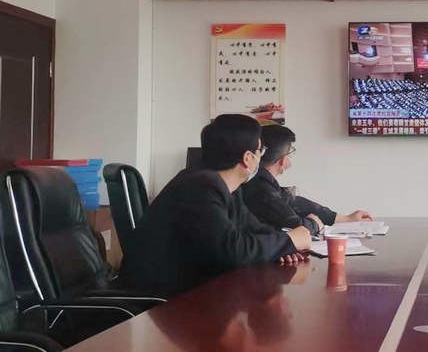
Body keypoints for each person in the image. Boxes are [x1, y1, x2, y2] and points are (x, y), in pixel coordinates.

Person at [120, 114, 312, 298]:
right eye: (260, 150)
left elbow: (253, 228)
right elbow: (232, 252)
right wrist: (289, 240)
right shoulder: (199, 187)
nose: (260, 157)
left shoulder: (225, 187)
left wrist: (284, 247)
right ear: (248, 158)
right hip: (160, 300)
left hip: (188, 291)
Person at [242, 124, 373, 236]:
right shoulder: (261, 189)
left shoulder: (263, 182)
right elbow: (296, 226)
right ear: (283, 160)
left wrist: (346, 218)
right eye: (290, 154)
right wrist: (314, 224)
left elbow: (294, 202)